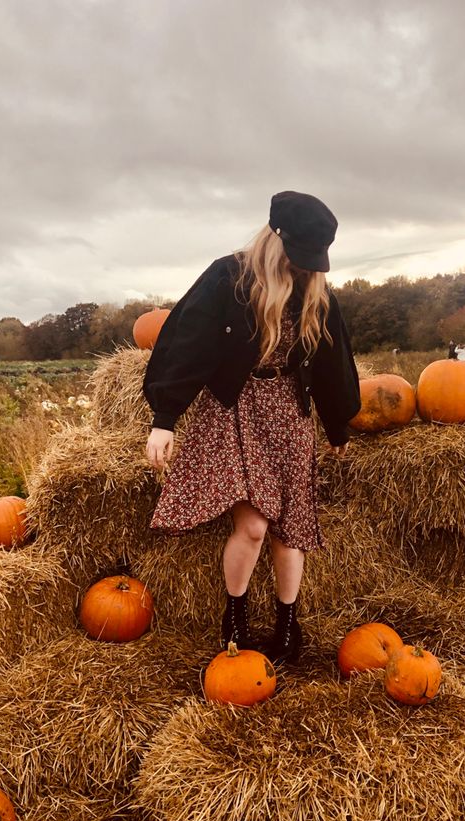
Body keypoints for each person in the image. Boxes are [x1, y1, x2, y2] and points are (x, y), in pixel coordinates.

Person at [142, 191, 361, 666]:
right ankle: (235, 614)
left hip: (288, 412)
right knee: (255, 526)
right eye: (298, 256)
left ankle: (288, 622)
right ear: (275, 239)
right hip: (234, 408)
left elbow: (332, 361)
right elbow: (188, 343)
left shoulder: (316, 291)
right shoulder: (229, 276)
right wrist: (166, 418)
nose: (304, 268)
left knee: (289, 529)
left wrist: (337, 423)